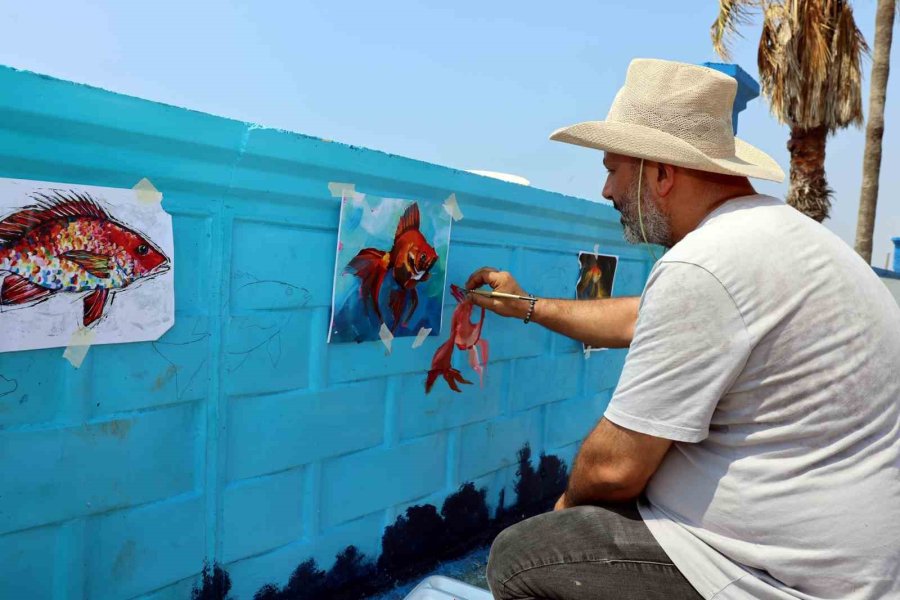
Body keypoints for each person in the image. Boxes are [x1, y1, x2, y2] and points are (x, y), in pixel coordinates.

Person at [467, 59, 900, 600]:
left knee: (525, 556)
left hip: (776, 580)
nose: (605, 191)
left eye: (613, 170)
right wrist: (527, 305)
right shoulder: (772, 235)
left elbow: (613, 468)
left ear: (661, 174)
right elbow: (641, 317)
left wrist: (563, 513)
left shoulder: (705, 264)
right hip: (838, 565)